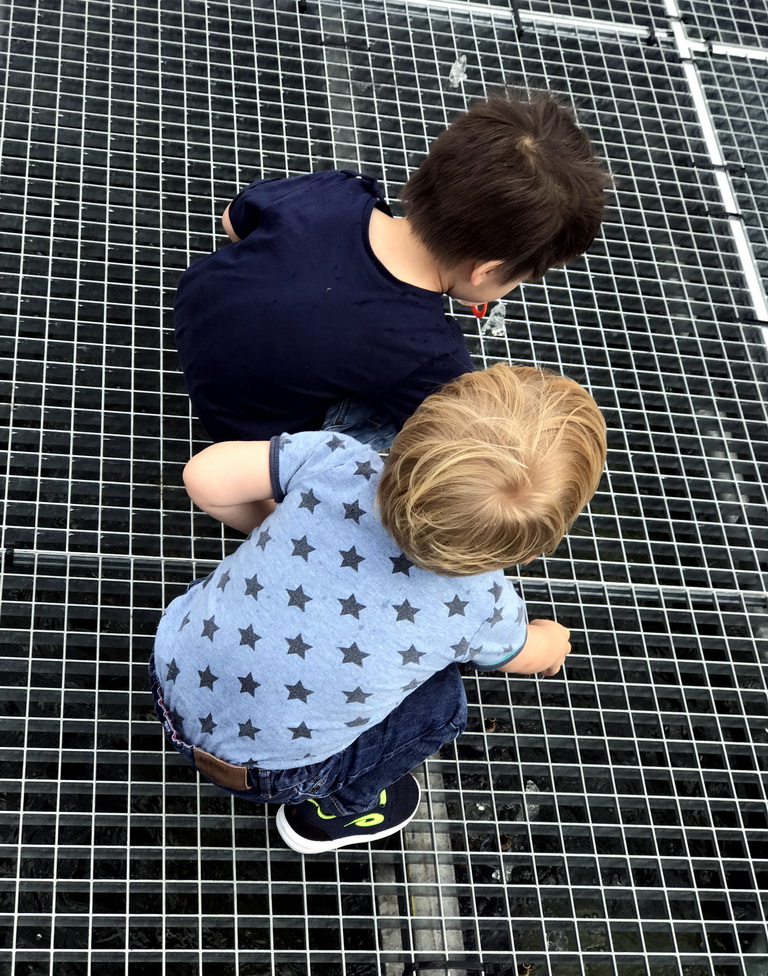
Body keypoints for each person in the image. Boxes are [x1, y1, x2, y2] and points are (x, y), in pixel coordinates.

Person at [150, 364, 607, 853]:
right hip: (267, 773)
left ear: (409, 431)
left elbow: (203, 477)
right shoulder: (481, 604)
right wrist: (551, 640)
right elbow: (526, 656)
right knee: (444, 705)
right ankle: (337, 810)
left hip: (170, 668)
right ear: (534, 549)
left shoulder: (337, 459)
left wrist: (274, 526)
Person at [174, 90, 610, 446]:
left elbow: (233, 218)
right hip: (246, 436)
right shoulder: (426, 354)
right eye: (520, 278)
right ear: (485, 270)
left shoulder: (337, 191)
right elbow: (460, 440)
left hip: (194, 318)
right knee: (427, 426)